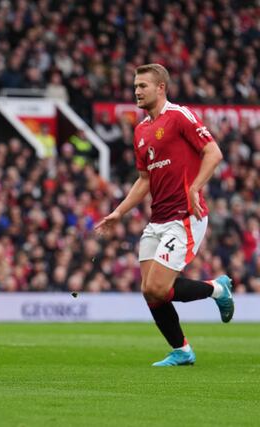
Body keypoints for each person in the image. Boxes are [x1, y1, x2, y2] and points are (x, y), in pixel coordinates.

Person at [95, 64, 234, 366]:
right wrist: (119, 212)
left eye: (142, 86)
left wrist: (195, 187)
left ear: (161, 88)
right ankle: (182, 350)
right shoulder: (141, 131)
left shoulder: (180, 116)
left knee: (158, 287)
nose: (136, 91)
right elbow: (144, 180)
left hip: (185, 216)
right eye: (135, 86)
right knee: (150, 293)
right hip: (157, 220)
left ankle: (217, 289)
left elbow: (214, 153)